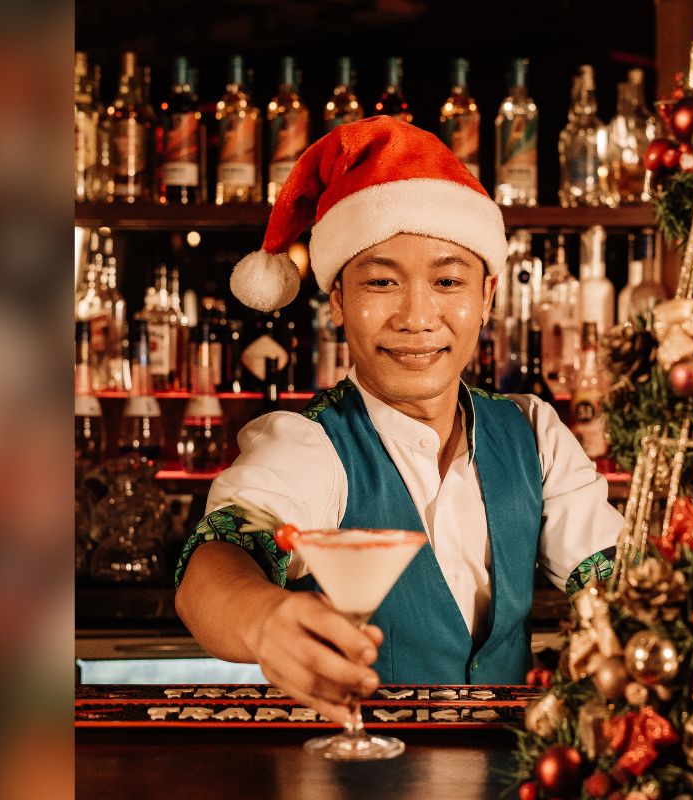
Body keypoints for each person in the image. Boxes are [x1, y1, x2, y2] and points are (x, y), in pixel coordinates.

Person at [174, 117, 623, 724]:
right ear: (337, 300)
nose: (417, 317)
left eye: (447, 281)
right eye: (381, 282)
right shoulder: (307, 447)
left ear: (487, 296)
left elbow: (617, 578)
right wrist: (262, 620)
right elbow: (219, 556)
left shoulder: (532, 433)